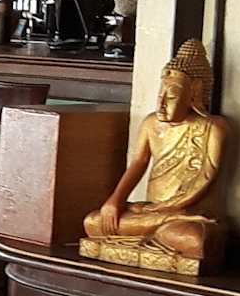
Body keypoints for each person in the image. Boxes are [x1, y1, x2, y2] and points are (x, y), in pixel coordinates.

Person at [84, 39, 228, 268]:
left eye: (170, 97)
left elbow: (205, 177)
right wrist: (115, 200)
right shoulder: (151, 123)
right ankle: (161, 230)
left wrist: (169, 209)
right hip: (152, 210)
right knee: (93, 222)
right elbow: (138, 163)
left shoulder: (213, 128)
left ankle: (164, 227)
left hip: (188, 211)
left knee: (195, 238)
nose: (161, 105)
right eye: (160, 95)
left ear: (194, 92)